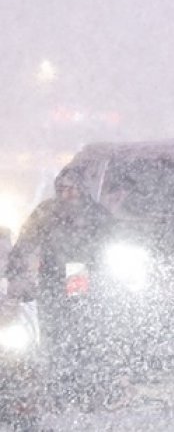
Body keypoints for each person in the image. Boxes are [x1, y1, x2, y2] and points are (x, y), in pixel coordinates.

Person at [4, 166, 121, 411]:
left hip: (80, 273)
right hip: (52, 277)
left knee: (79, 329)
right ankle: (58, 383)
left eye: (72, 189)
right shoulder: (47, 212)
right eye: (63, 189)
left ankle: (80, 383)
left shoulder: (94, 215)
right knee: (53, 331)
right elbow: (27, 240)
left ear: (81, 189)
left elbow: (113, 242)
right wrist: (16, 268)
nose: (67, 194)